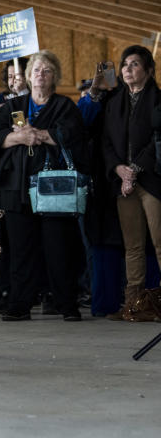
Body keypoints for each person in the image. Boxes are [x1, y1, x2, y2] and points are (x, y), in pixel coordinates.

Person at [0, 50, 87, 322]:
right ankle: (20, 304)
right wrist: (21, 137)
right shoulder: (15, 107)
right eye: (36, 70)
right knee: (21, 250)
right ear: (28, 77)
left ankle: (66, 303)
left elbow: (72, 134)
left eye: (46, 70)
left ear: (55, 76)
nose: (40, 75)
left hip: (54, 188)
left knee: (58, 248)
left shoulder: (64, 106)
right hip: (16, 187)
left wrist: (41, 134)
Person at [103, 46, 161, 319]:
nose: (127, 69)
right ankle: (133, 305)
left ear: (149, 70)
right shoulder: (114, 103)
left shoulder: (158, 100)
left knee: (160, 242)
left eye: (135, 64)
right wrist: (119, 169)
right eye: (125, 64)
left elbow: (156, 140)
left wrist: (134, 170)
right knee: (133, 246)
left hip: (152, 181)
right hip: (122, 181)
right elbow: (105, 141)